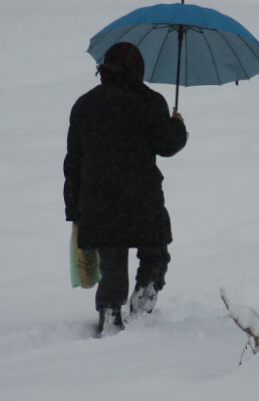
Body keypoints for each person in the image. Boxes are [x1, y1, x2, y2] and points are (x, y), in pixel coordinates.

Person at [63, 42, 188, 336]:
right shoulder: (150, 101)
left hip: (98, 200)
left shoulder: (84, 105)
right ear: (138, 69)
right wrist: (177, 126)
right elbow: (167, 145)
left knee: (113, 261)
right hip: (142, 198)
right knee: (155, 250)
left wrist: (74, 209)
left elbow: (73, 162)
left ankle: (110, 310)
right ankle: (145, 292)